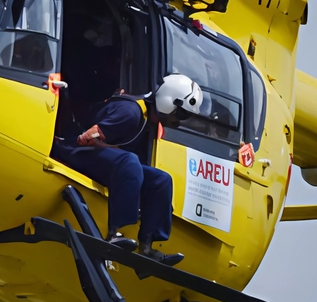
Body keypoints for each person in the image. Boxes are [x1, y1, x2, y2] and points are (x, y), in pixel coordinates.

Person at [52, 74, 204, 267]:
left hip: (96, 157)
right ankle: (114, 233)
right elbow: (86, 139)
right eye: (181, 114)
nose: (180, 121)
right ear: (168, 102)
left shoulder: (147, 119)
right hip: (75, 150)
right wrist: (117, 155)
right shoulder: (131, 113)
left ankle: (147, 248)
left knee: (161, 180)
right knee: (129, 162)